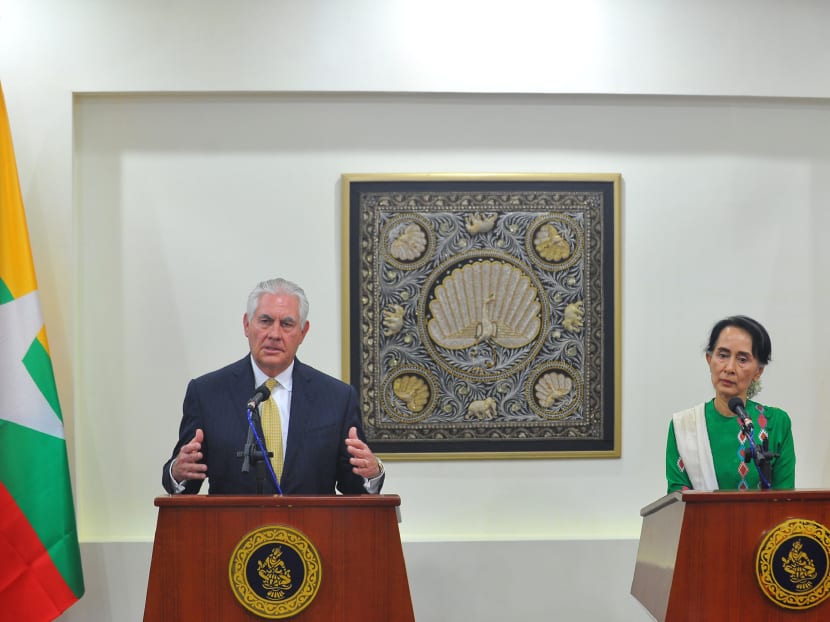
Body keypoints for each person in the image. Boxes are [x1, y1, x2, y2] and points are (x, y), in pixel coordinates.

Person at [162, 278, 384, 495]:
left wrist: (372, 473)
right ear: (247, 325)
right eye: (265, 321)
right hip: (233, 531)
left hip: (311, 531)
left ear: (303, 333)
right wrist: (178, 473)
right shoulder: (206, 394)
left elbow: (354, 487)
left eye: (287, 324)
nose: (275, 334)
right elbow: (186, 481)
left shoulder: (337, 398)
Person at [666, 315, 795, 492]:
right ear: (709, 359)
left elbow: (785, 502)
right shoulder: (684, 427)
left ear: (758, 371)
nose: (729, 368)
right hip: (701, 521)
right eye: (723, 355)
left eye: (742, 359)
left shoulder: (777, 424)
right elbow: (678, 503)